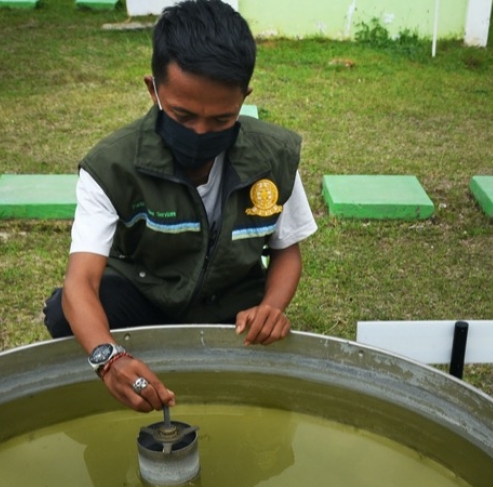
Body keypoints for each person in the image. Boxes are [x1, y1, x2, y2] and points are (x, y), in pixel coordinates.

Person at [42, 0, 317, 413]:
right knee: (66, 314)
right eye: (183, 116)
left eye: (221, 120)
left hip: (229, 304)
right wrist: (108, 357)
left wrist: (271, 308)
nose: (200, 133)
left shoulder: (273, 158)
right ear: (153, 90)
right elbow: (81, 283)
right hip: (147, 294)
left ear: (243, 97)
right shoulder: (111, 166)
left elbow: (286, 252)